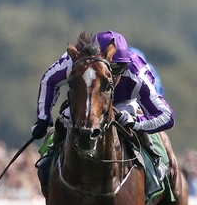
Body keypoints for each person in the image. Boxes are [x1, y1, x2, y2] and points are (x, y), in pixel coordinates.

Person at [32, 31, 174, 188]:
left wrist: (137, 122)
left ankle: (153, 157)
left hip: (124, 103)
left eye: (117, 68)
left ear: (126, 65)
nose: (110, 76)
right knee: (65, 115)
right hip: (88, 99)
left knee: (133, 114)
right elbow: (48, 80)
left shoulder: (137, 72)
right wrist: (43, 118)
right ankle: (50, 153)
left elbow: (167, 115)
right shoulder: (78, 61)